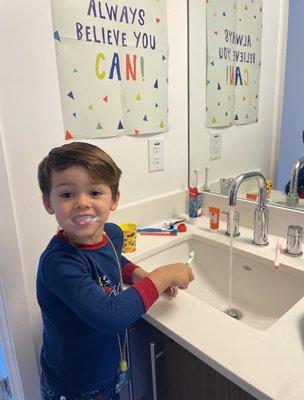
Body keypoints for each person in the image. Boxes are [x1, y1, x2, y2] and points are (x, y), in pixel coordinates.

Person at [36, 142, 194, 400]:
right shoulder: (60, 264)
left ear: (114, 199)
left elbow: (113, 258)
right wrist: (164, 275)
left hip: (106, 370)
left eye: (95, 192)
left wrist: (139, 274)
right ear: (48, 203)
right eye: (67, 195)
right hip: (74, 386)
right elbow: (111, 317)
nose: (82, 203)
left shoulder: (111, 235)